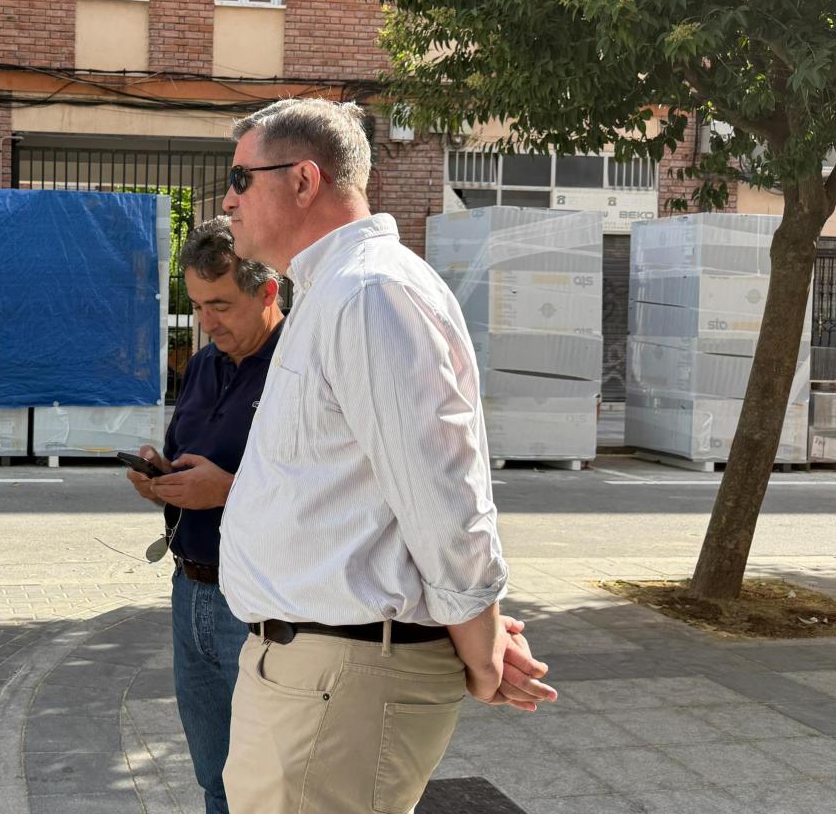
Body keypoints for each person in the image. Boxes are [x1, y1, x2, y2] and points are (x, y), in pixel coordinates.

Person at [216, 99, 557, 814]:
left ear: (304, 180)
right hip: (319, 670)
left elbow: (441, 493)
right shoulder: (336, 289)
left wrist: (481, 639)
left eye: (241, 178)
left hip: (340, 675)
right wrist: (476, 628)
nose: (227, 198)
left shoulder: (369, 292)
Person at [125, 216, 283, 814]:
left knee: (265, 781)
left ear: (269, 292)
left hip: (260, 603)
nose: (206, 323)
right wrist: (162, 479)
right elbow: (194, 455)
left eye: (220, 305)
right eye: (195, 306)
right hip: (189, 589)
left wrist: (228, 491)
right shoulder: (202, 366)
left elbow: (329, 492)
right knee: (214, 777)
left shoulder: (299, 369)